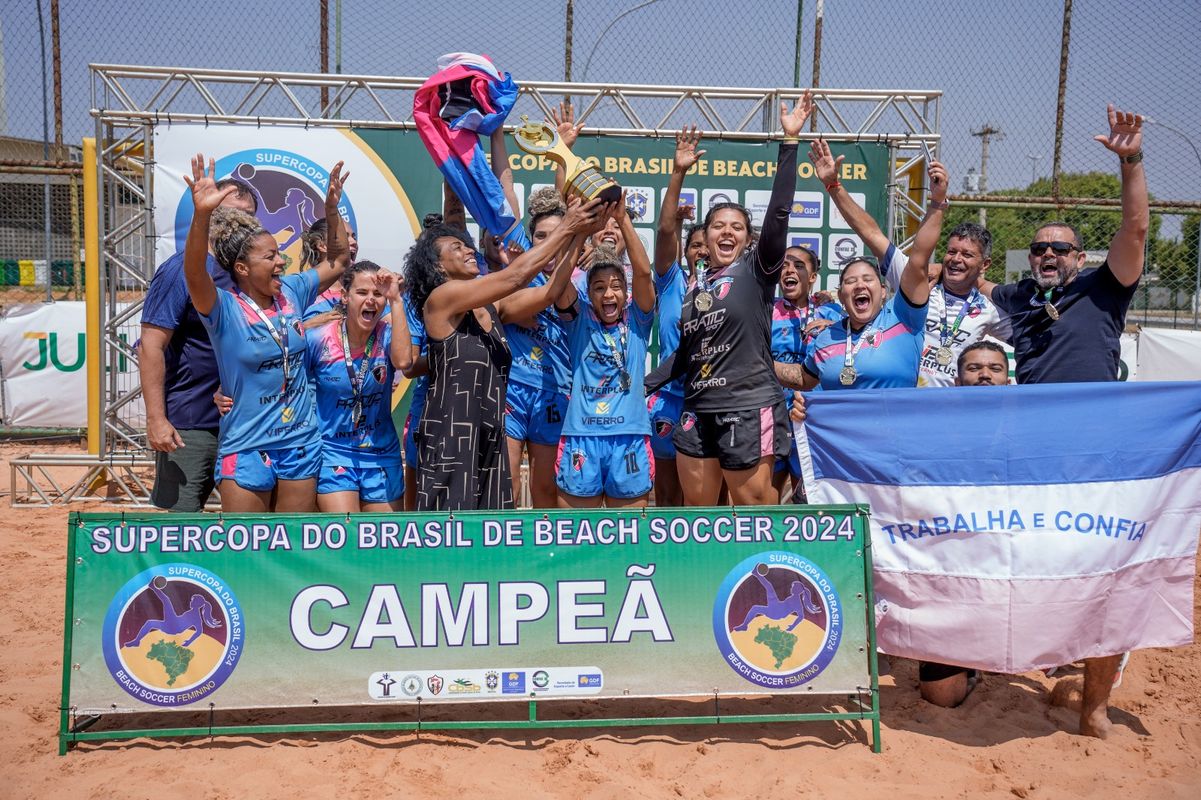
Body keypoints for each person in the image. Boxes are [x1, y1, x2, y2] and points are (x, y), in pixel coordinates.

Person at [979, 104, 1148, 738]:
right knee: (1042, 560)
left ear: (1079, 256)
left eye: (1060, 247)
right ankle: (1058, 662)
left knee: (1103, 565)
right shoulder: (1019, 298)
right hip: (1033, 455)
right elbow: (941, 274)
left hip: (1099, 455)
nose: (1048, 254)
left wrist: (1129, 162)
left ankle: (1096, 701)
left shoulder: (1106, 288)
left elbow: (1135, 230)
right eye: (1039, 247)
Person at [645, 92, 815, 506]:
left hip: (747, 404)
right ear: (704, 238)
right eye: (717, 225)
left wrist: (789, 143)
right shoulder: (694, 285)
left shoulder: (758, 271)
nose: (726, 232)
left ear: (747, 238)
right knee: (698, 516)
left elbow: (778, 213)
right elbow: (686, 354)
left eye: (736, 227)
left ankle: (766, 573)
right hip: (696, 406)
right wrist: (641, 385)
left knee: (755, 510)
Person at [406, 196, 601, 511]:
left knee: (493, 530)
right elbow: (516, 276)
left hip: (489, 437)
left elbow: (551, 291)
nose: (469, 249)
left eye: (467, 245)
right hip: (450, 439)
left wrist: (579, 235)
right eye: (456, 248)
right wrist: (567, 227)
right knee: (447, 539)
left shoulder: (491, 306)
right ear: (437, 266)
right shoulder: (440, 299)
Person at [181, 154, 350, 512]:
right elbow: (195, 273)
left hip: (300, 441)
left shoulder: (292, 291)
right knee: (246, 550)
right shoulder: (224, 309)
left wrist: (331, 208)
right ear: (242, 268)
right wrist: (202, 215)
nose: (281, 262)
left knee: (291, 549)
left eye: (278, 254)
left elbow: (338, 261)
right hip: (246, 444)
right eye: (270, 257)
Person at [809, 139, 1009, 387]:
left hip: (950, 411)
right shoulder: (914, 285)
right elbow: (871, 234)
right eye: (951, 252)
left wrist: (984, 285)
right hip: (903, 404)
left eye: (967, 255)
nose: (956, 259)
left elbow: (1036, 342)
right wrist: (833, 185)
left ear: (985, 264)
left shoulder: (990, 310)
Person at [140, 177, 257, 512]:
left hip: (246, 425)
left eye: (248, 217)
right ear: (208, 214)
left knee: (245, 528)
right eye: (229, 214)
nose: (239, 225)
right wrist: (156, 419)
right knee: (180, 524)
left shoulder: (247, 274)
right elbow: (151, 346)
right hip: (190, 424)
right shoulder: (179, 270)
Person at [795, 160, 947, 391]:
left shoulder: (903, 315)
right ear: (841, 295)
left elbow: (917, 258)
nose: (859, 285)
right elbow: (802, 379)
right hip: (841, 428)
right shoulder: (827, 336)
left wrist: (936, 203)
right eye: (850, 281)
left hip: (894, 426)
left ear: (884, 291)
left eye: (867, 279)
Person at [554, 197, 657, 507]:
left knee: (627, 540)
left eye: (615, 286)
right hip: (581, 436)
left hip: (629, 436)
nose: (608, 293)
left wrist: (622, 219)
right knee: (574, 539)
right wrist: (578, 230)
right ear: (590, 293)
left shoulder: (638, 320)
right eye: (599, 287)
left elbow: (642, 274)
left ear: (625, 293)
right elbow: (558, 283)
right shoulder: (580, 319)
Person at [307, 261, 412, 512]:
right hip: (333, 452)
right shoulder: (319, 338)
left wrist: (396, 300)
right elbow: (286, 382)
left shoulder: (387, 333)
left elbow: (404, 361)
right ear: (345, 296)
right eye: (362, 293)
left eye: (378, 294)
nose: (371, 300)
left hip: (381, 453)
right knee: (347, 538)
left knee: (384, 544)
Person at [647, 128, 710, 507]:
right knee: (669, 498)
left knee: (709, 499)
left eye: (708, 246)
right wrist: (678, 174)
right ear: (686, 251)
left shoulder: (730, 285)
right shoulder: (670, 283)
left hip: (712, 399)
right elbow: (665, 229)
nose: (702, 251)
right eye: (695, 246)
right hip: (669, 400)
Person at [501, 188, 573, 508]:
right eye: (540, 236)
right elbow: (506, 197)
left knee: (546, 488)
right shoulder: (519, 270)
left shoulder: (579, 279)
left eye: (556, 236)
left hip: (554, 393)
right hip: (513, 388)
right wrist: (497, 137)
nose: (548, 243)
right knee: (508, 482)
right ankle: (507, 557)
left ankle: (547, 556)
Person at [771, 245, 842, 499]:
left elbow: (861, 334)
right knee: (765, 504)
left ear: (812, 277)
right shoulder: (765, 309)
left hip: (812, 418)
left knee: (809, 500)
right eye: (785, 265)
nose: (790, 270)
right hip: (773, 416)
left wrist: (836, 326)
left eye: (799, 265)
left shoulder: (832, 312)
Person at [300, 217, 360, 322]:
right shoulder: (302, 292)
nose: (353, 241)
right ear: (322, 245)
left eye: (354, 237)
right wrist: (308, 325)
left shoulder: (364, 288)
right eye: (344, 237)